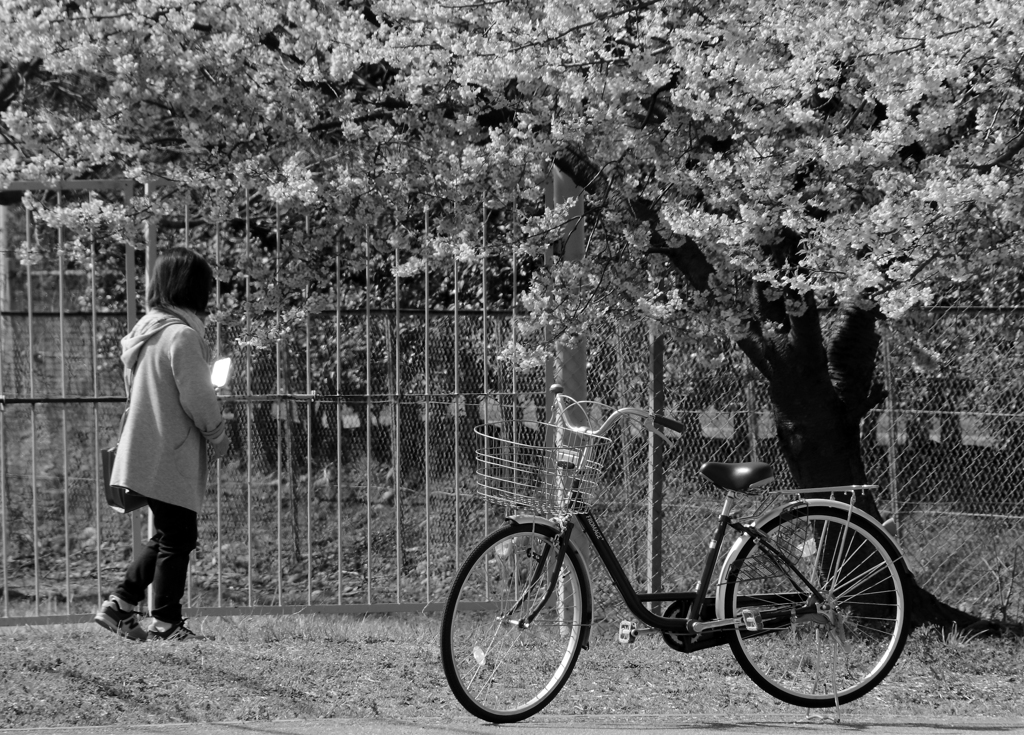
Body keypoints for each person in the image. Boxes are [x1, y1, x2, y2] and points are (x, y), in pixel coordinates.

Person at [93, 247, 230, 642]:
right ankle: (165, 621)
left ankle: (121, 604)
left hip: (145, 448)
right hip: (170, 451)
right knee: (179, 536)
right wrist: (219, 435)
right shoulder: (182, 336)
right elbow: (198, 399)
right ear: (195, 289)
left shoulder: (147, 332)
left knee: (169, 535)